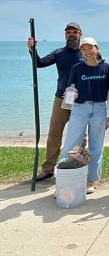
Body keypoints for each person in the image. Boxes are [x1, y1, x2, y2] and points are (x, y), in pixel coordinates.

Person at [28, 22, 84, 181]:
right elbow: (39, 63)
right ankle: (48, 169)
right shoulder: (59, 53)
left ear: (80, 34)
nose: (71, 35)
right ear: (65, 35)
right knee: (54, 134)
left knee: (81, 136)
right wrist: (32, 49)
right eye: (68, 32)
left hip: (80, 101)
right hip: (61, 99)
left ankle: (77, 165)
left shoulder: (86, 52)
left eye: (74, 32)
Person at [59, 37, 109, 194]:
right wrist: (71, 95)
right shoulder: (77, 68)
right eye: (83, 49)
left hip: (99, 109)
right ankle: (65, 178)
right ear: (81, 51)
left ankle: (91, 180)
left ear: (96, 48)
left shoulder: (106, 68)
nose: (87, 52)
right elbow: (71, 88)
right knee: (71, 144)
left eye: (90, 48)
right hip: (80, 109)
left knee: (96, 146)